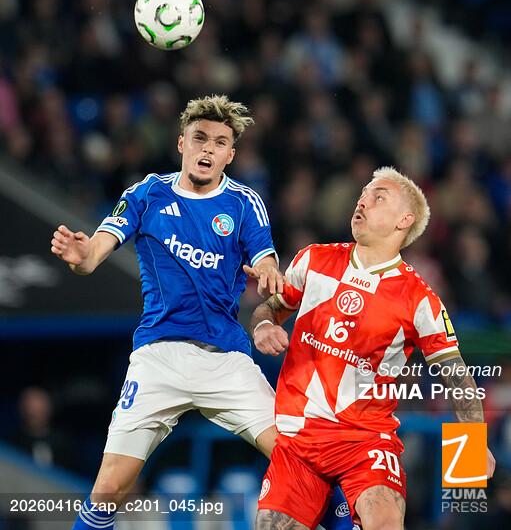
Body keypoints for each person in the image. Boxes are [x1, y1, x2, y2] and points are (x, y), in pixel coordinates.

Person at [51, 95, 283, 530]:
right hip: (158, 357)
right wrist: (80, 255)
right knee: (108, 487)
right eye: (199, 138)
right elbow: (91, 256)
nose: (207, 149)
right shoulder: (147, 193)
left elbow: (264, 256)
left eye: (219, 142)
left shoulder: (243, 202)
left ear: (230, 155)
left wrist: (269, 268)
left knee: (297, 457)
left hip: (224, 359)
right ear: (181, 143)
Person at [250, 166, 496, 530]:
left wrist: (474, 446)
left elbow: (456, 375)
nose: (363, 202)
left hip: (365, 441)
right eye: (363, 195)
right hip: (298, 442)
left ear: (404, 220)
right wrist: (264, 325)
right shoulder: (314, 260)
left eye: (378, 197)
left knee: (384, 520)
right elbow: (270, 308)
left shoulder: (419, 298)